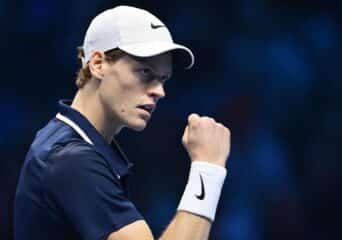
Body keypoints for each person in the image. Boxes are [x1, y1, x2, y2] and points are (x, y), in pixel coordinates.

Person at [14, 5, 231, 240]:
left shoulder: (64, 143)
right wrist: (208, 168)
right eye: (145, 72)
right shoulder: (70, 159)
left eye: (163, 79)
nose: (159, 91)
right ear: (98, 64)